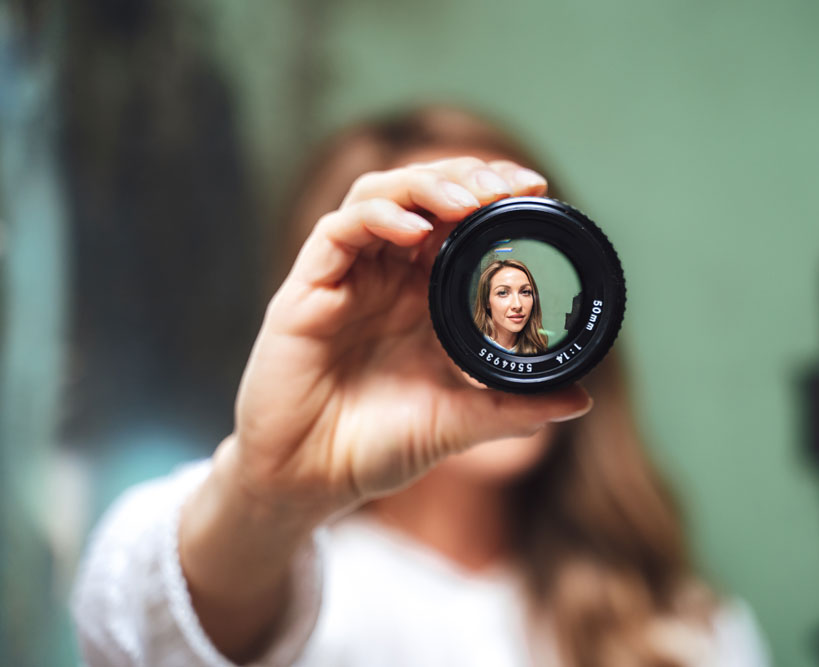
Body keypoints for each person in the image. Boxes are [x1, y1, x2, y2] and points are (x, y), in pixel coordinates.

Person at [72, 106, 770, 666]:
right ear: (333, 321)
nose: (477, 321)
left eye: (505, 274)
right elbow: (131, 629)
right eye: (417, 275)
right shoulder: (289, 599)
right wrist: (264, 497)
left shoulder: (684, 631)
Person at [474, 259, 548, 354]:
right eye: (503, 293)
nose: (517, 305)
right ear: (486, 301)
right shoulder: (471, 350)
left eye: (525, 292)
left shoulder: (538, 352)